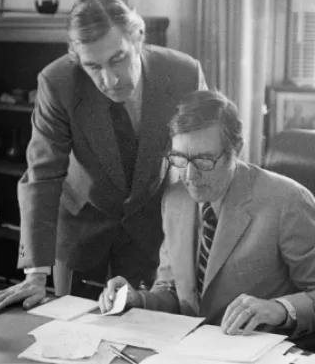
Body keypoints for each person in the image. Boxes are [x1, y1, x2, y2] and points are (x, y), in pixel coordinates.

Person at [0, 0, 207, 310]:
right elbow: (43, 176)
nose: (110, 80)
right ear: (77, 58)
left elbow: (206, 157)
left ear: (138, 37)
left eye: (118, 59)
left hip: (151, 228)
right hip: (80, 228)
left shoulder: (184, 74)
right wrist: (34, 275)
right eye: (93, 66)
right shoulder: (57, 83)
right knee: (70, 338)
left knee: (143, 333)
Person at [99, 90, 315, 339]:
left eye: (203, 160)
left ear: (237, 150)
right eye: (180, 158)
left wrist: (279, 309)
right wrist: (137, 299)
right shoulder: (175, 199)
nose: (189, 177)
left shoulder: (287, 201)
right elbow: (172, 291)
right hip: (190, 348)